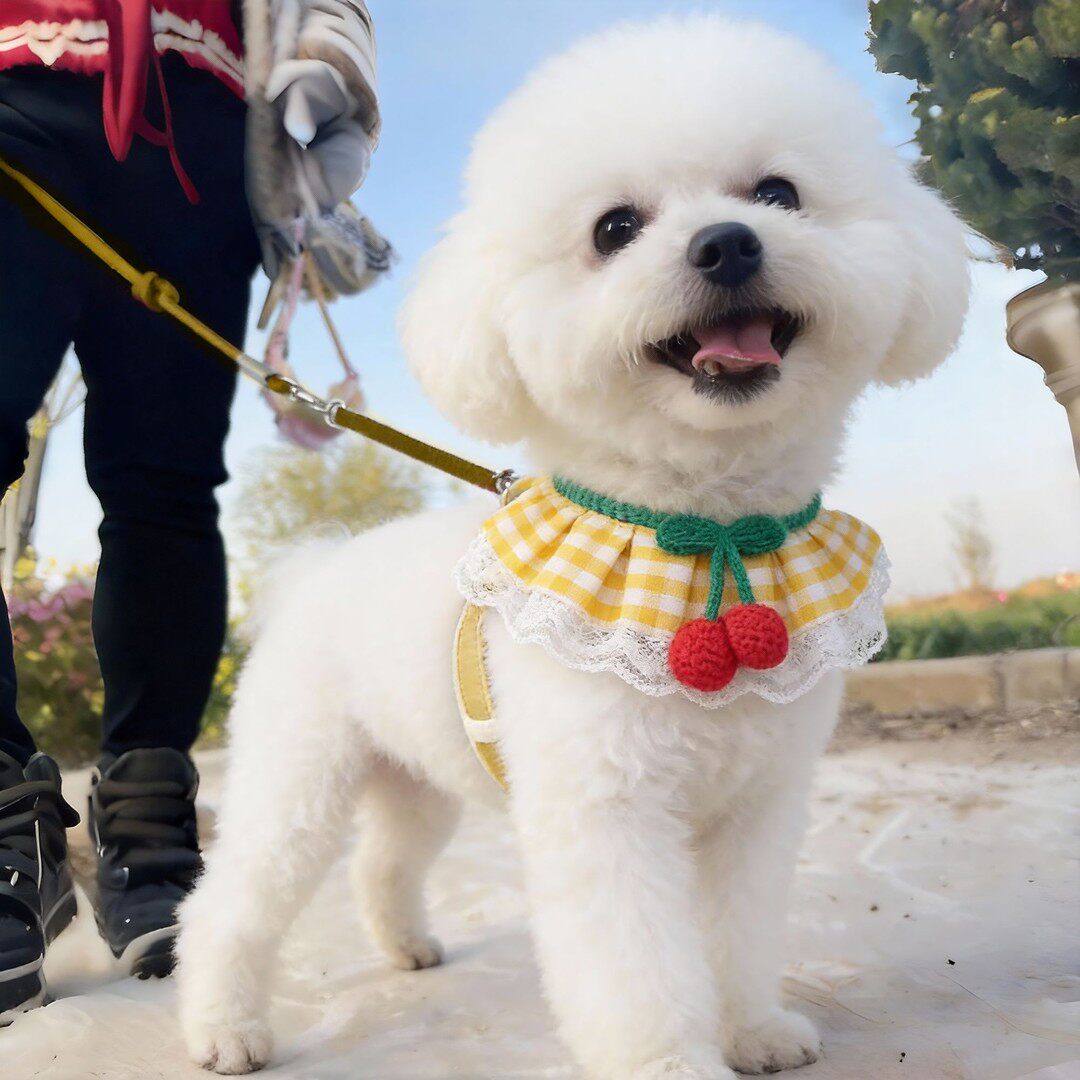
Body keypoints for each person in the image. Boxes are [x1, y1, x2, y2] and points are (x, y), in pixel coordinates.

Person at [0, 0, 379, 1020]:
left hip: (196, 124)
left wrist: (323, 60)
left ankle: (148, 817)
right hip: (11, 90)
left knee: (166, 487)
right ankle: (5, 823)